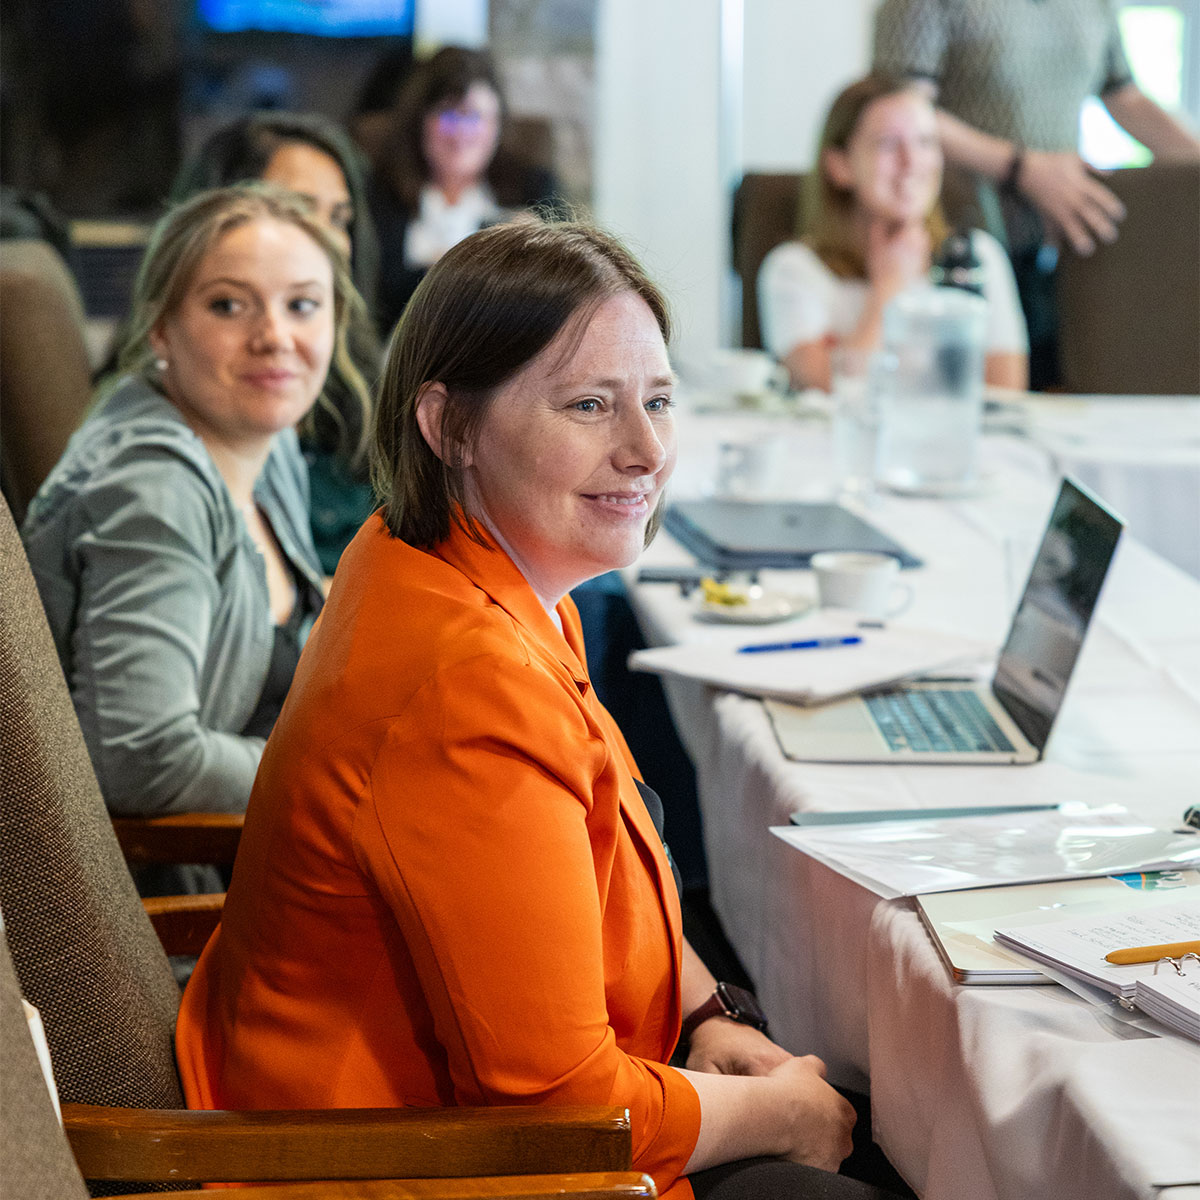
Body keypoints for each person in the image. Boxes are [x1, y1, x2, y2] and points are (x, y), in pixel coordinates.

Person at [175, 220, 900, 1200]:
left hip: (451, 1111)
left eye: (658, 401)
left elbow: (591, 857)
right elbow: (562, 1113)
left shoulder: (450, 557)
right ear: (450, 427)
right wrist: (780, 1112)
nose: (645, 450)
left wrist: (707, 1018)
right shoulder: (463, 683)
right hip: (392, 1159)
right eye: (590, 405)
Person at [21, 183, 369, 832]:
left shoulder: (263, 441)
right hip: (179, 895)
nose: (275, 337)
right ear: (160, 327)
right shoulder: (155, 491)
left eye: (302, 305)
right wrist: (348, 782)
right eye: (229, 305)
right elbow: (144, 758)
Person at [872, 0, 1200, 388]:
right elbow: (900, 108)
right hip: (962, 236)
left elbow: (1125, 98)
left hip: (1060, 238)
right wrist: (1021, 167)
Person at [171, 113, 383, 571]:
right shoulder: (173, 445)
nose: (331, 240)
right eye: (301, 212)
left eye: (340, 218)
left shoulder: (353, 371)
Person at [758, 75, 1028, 394]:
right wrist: (888, 290)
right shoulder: (794, 269)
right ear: (840, 165)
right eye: (888, 144)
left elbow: (1005, 392)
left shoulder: (978, 257)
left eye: (925, 142)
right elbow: (829, 390)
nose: (911, 162)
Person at [366, 45, 562, 336]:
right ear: (421, 122)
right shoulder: (381, 192)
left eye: (474, 117)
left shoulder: (533, 189)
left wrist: (539, 252)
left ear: (497, 124)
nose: (461, 133)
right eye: (448, 116)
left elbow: (565, 293)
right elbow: (370, 303)